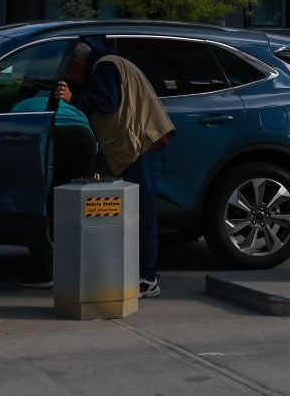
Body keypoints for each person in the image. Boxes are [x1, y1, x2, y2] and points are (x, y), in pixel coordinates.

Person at [56, 39, 173, 298]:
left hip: (143, 145)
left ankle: (148, 278)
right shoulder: (110, 63)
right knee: (137, 211)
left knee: (142, 213)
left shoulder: (105, 67)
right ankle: (140, 273)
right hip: (140, 145)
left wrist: (72, 97)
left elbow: (107, 102)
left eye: (69, 72)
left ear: (77, 63)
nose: (70, 78)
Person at [13, 77, 97, 290]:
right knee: (75, 204)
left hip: (53, 136)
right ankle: (85, 266)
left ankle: (42, 269)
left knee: (38, 202)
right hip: (82, 138)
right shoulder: (69, 104)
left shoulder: (23, 106)